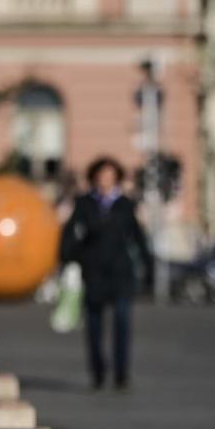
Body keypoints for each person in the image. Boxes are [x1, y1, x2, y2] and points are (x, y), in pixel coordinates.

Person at [59, 156, 151, 391]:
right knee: (94, 325)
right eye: (101, 175)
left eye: (110, 176)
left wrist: (148, 266)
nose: (105, 180)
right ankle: (98, 371)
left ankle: (121, 374)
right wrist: (69, 258)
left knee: (122, 323)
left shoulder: (125, 204)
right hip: (94, 271)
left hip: (120, 272)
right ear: (94, 177)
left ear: (116, 178)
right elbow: (70, 233)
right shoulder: (85, 203)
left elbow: (137, 237)